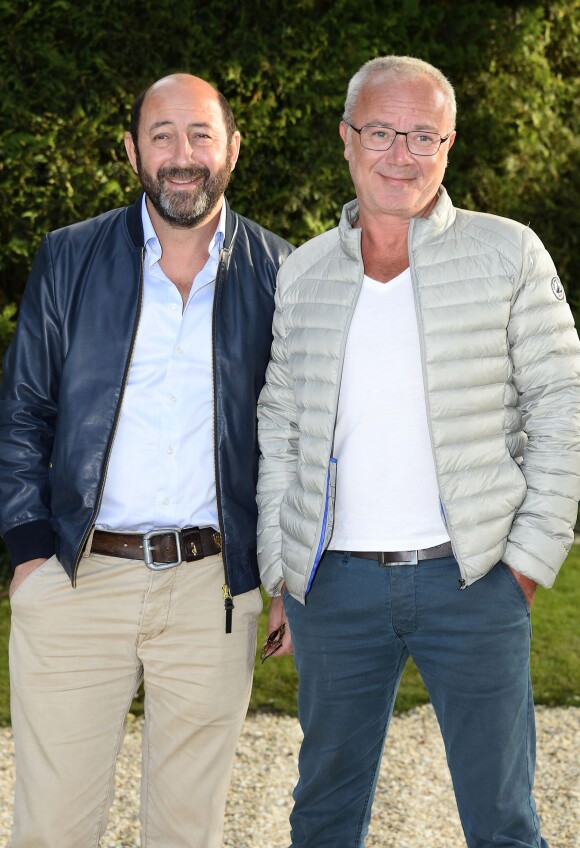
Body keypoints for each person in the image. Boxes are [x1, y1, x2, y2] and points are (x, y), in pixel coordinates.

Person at [256, 55, 580, 848]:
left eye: (423, 135)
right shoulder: (302, 273)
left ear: (450, 144)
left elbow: (563, 408)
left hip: (472, 581)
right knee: (323, 815)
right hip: (333, 590)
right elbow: (280, 430)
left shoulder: (509, 253)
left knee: (502, 819)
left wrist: (528, 563)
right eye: (381, 132)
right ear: (346, 138)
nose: (401, 154)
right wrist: (281, 572)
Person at [0, 73, 292, 847]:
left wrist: (284, 575)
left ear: (232, 147)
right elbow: (23, 409)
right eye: (161, 134)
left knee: (186, 832)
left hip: (211, 593)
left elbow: (298, 437)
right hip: (75, 580)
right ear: (132, 150)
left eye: (201, 134)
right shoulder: (69, 257)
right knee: (52, 830)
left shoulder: (280, 273)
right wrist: (29, 555)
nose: (182, 155)